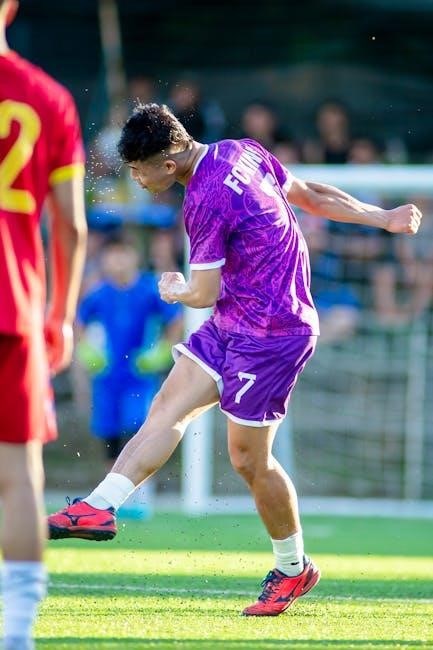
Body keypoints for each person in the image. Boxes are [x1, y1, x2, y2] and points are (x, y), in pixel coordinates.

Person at [48, 103, 422, 617]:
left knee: (248, 459)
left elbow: (202, 292)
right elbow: (309, 195)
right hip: (233, 322)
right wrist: (382, 217)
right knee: (168, 407)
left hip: (273, 334)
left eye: (139, 170)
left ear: (170, 161)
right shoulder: (240, 151)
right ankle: (100, 506)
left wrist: (174, 289)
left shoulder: (205, 198)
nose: (136, 179)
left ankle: (294, 568)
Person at [0, 1, 87, 647]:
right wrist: (60, 316)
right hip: (14, 305)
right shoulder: (48, 97)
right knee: (17, 476)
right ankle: (17, 634)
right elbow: (72, 226)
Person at [76, 234, 183, 516]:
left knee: (139, 431)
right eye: (112, 255)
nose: (118, 261)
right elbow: (78, 322)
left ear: (135, 256)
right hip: (107, 377)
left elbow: (176, 319)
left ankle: (142, 498)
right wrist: (87, 351)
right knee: (109, 435)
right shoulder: (99, 293)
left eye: (123, 253)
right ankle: (108, 501)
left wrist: (161, 351)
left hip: (139, 377)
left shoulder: (148, 290)